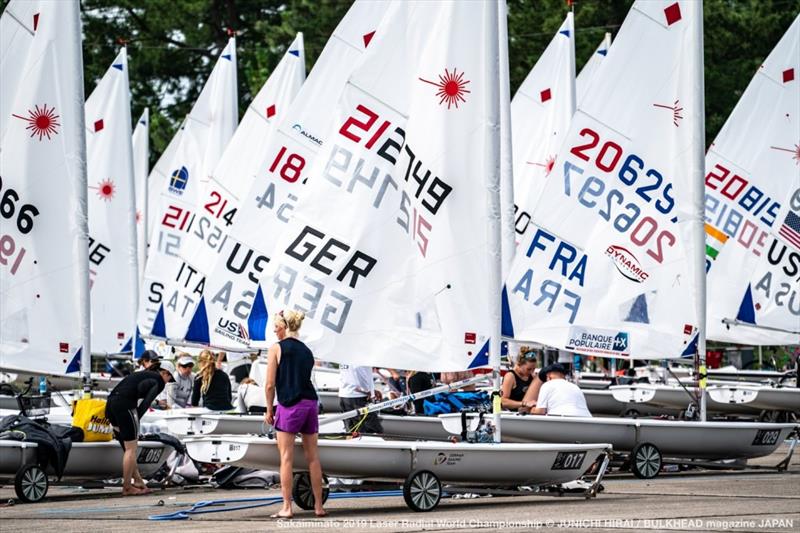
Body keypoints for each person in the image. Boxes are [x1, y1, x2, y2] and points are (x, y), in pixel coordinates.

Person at [265, 310, 326, 519]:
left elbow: (270, 384)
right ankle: (318, 506)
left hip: (290, 404)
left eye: (276, 326)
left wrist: (268, 409)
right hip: (310, 402)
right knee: (313, 458)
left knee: (286, 458)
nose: (274, 330)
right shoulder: (307, 351)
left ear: (283, 326)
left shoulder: (276, 348)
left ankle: (287, 507)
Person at [105, 362, 173, 495]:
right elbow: (146, 403)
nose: (168, 381)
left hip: (110, 404)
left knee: (127, 448)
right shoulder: (159, 381)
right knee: (131, 449)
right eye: (169, 377)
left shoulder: (141, 374)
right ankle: (127, 487)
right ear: (165, 373)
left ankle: (137, 480)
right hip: (125, 406)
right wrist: (136, 420)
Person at [338, 365, 383, 433]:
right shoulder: (359, 355)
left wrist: (371, 390)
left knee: (352, 431)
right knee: (373, 430)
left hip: (345, 395)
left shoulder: (345, 355)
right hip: (358, 397)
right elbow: (358, 369)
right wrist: (368, 391)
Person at [501, 347, 540, 411]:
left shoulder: (532, 376)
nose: (531, 372)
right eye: (529, 369)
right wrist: (524, 403)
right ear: (519, 364)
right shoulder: (510, 376)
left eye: (534, 369)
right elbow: (503, 401)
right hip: (512, 415)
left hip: (527, 413)